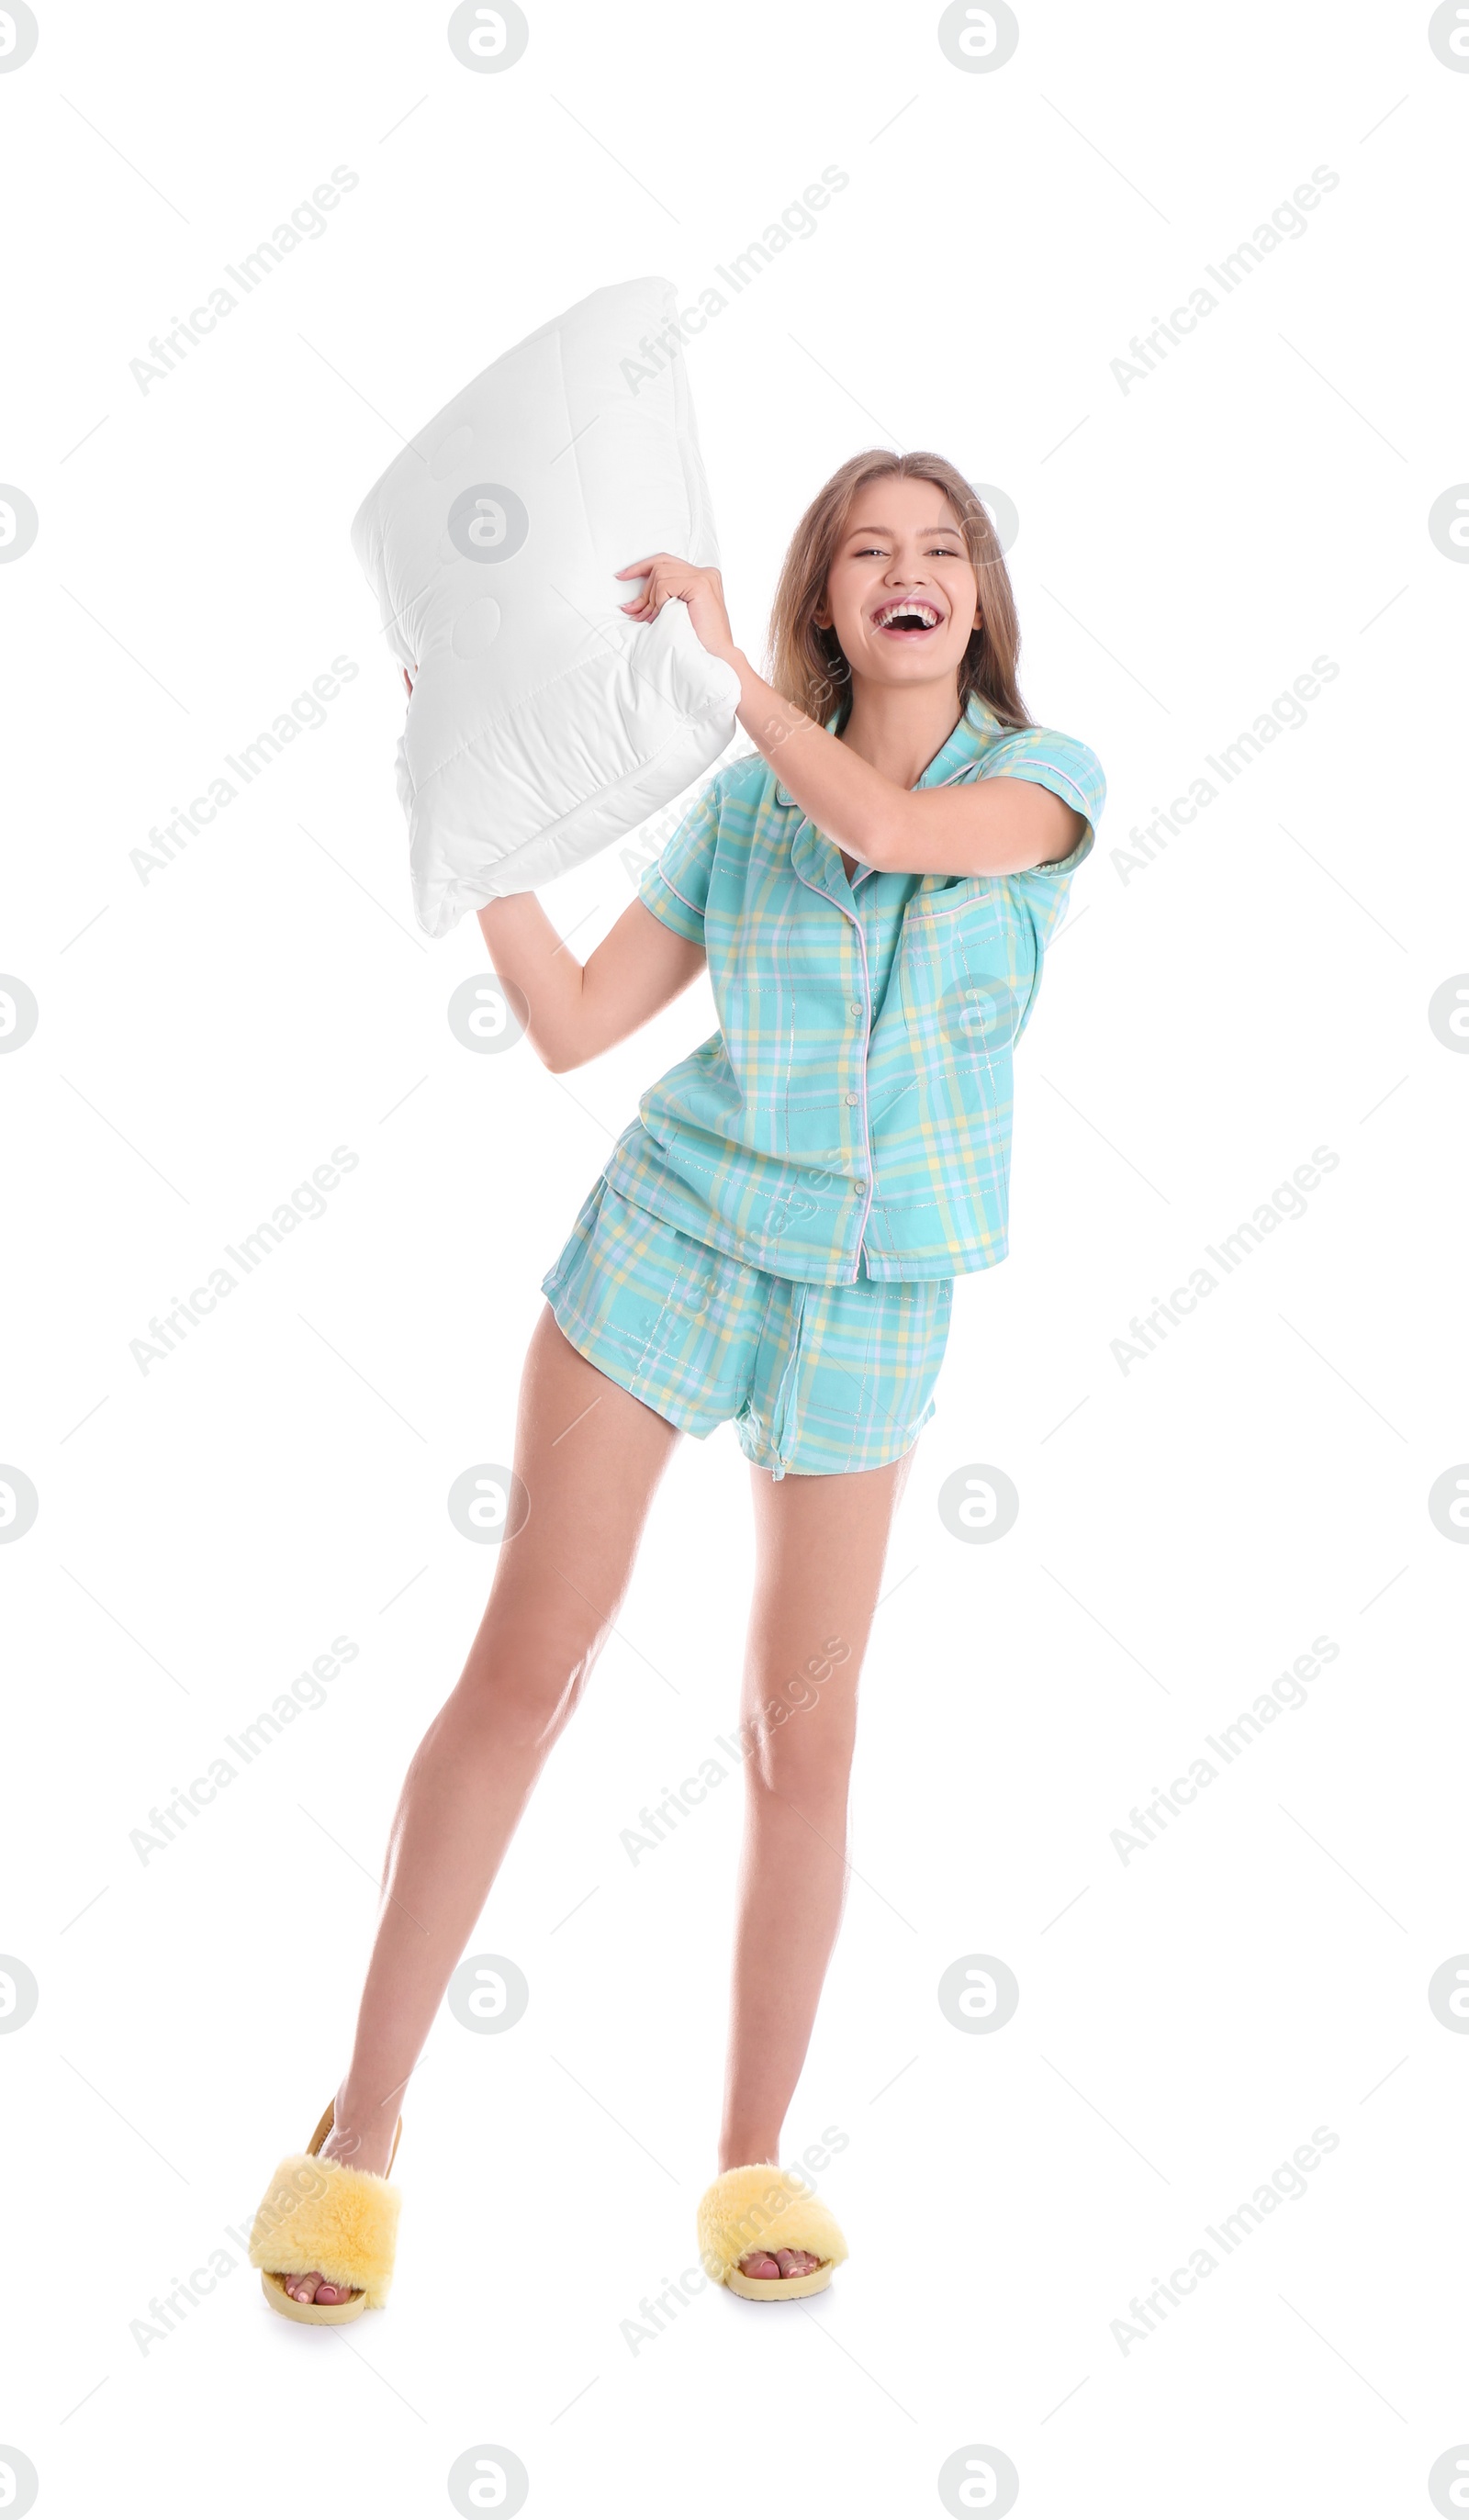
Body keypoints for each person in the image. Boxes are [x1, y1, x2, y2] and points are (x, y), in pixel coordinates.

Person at [248, 447, 1105, 2320]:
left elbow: (891, 835)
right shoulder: (742, 814)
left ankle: (746, 2161)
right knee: (526, 1664)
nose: (908, 571)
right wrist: (463, 802)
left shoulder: (1043, 789)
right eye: (868, 549)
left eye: (939, 548)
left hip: (875, 1293)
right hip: (669, 1241)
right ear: (823, 596)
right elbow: (567, 1024)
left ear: (976, 595)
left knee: (800, 1731)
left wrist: (722, 676)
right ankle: (357, 2131)